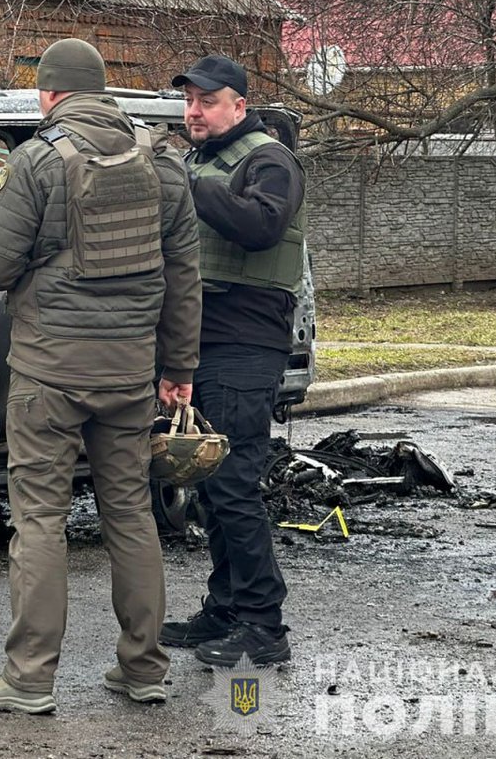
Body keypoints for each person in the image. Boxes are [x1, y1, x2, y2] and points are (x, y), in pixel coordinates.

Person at [0, 38, 202, 713]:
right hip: (130, 373)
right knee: (130, 513)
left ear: (49, 94)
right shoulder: (163, 160)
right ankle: (144, 668)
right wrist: (179, 366)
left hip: (49, 373)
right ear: (101, 91)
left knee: (40, 519)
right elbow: (185, 276)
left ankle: (29, 678)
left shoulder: (37, 160)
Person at [159, 55, 306, 668]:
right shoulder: (200, 160)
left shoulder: (269, 160)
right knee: (210, 484)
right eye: (189, 100)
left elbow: (262, 226)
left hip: (245, 341)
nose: (194, 111)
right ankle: (225, 608)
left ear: (239, 106)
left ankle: (264, 624)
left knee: (233, 483)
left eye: (208, 101)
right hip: (202, 341)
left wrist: (185, 186)